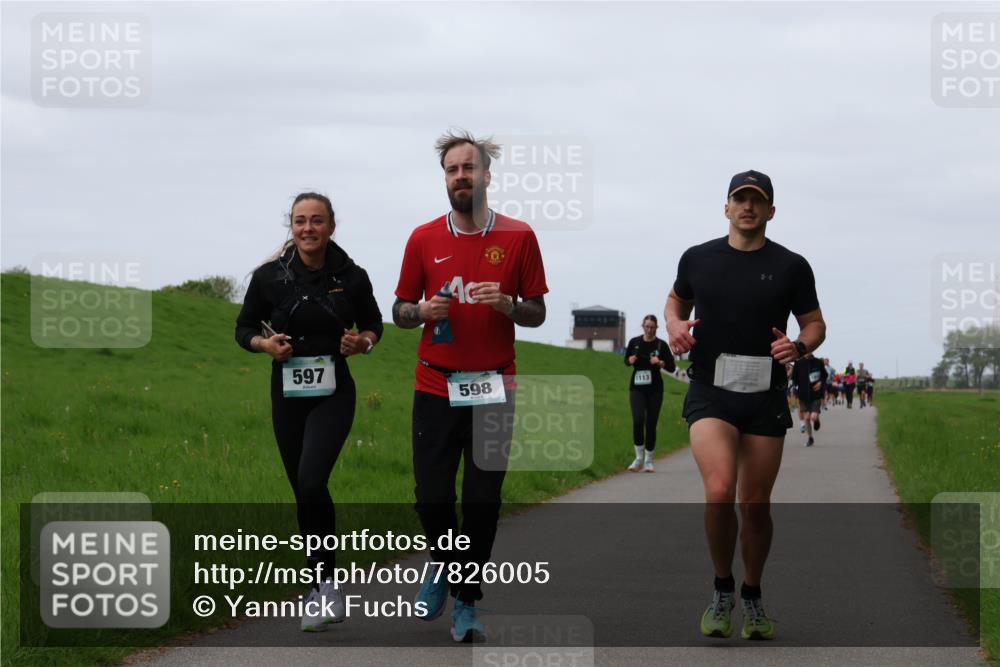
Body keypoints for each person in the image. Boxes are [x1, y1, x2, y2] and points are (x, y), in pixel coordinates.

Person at [392, 130, 548, 642]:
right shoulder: (422, 238)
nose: (461, 176)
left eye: (469, 168)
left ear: (487, 175)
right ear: (445, 178)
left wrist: (508, 305)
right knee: (432, 498)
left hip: (494, 387)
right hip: (435, 386)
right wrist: (419, 310)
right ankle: (442, 559)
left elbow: (538, 312)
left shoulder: (519, 237)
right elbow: (399, 312)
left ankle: (467, 603)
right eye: (453, 170)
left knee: (482, 503)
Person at [664, 170, 826, 641]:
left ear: (771, 211)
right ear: (727, 207)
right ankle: (722, 588)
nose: (748, 207)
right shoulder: (698, 257)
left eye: (757, 200)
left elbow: (815, 323)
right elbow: (676, 299)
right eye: (740, 199)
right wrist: (674, 323)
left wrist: (798, 347)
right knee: (719, 491)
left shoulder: (792, 266)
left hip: (764, 396)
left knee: (754, 504)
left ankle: (752, 594)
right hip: (710, 391)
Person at [235, 192, 384, 632]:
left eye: (316, 221)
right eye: (300, 221)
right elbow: (243, 329)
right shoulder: (268, 278)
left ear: (332, 226)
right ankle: (323, 584)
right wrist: (265, 345)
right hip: (287, 391)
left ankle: (323, 583)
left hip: (334, 391)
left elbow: (374, 325)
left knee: (312, 479)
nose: (307, 229)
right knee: (304, 490)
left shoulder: (351, 277)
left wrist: (363, 344)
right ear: (291, 226)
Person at [624, 315, 676, 472]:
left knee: (651, 423)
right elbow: (626, 360)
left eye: (652, 327)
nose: (649, 329)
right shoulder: (634, 342)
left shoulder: (661, 345)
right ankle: (638, 458)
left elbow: (672, 367)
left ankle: (648, 460)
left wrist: (660, 363)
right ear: (643, 326)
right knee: (638, 420)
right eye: (647, 326)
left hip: (655, 389)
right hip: (637, 388)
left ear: (656, 328)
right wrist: (630, 360)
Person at [793, 353, 827, 446]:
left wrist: (820, 382)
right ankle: (810, 438)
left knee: (813, 417)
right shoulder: (798, 363)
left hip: (816, 395)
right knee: (807, 418)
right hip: (803, 396)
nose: (808, 352)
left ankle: (816, 420)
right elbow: (794, 379)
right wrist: (795, 389)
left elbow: (824, 376)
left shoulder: (818, 362)